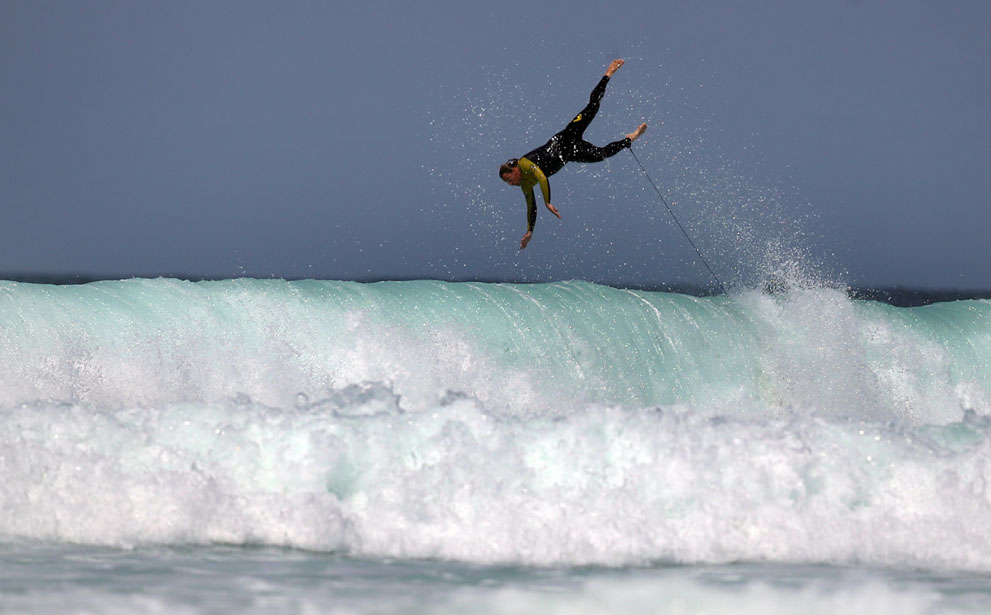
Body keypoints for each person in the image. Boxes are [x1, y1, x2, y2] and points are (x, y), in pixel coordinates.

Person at [499, 59, 647, 249]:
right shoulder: (525, 185)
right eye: (507, 182)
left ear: (514, 168)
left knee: (593, 106)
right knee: (602, 154)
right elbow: (531, 208)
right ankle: (630, 138)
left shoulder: (525, 163)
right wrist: (530, 231)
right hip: (571, 153)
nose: (510, 184)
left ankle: (608, 73)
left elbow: (542, 177)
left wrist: (548, 202)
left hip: (566, 137)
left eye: (508, 179)